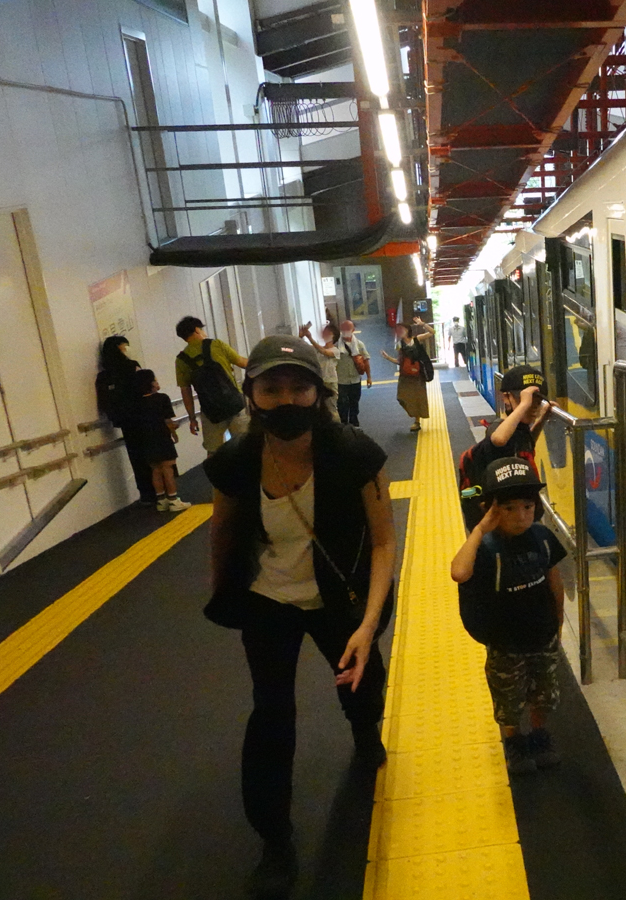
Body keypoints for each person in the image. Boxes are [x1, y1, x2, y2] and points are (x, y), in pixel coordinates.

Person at [203, 335, 396, 898]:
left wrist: (366, 626)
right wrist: (226, 593)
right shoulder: (237, 461)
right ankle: (274, 841)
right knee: (270, 714)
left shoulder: (354, 452)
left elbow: (383, 542)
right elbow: (223, 531)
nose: (286, 400)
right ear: (252, 395)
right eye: (272, 389)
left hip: (340, 597)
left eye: (299, 387)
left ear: (318, 391)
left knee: (363, 680)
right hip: (270, 601)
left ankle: (364, 728)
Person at [451, 457, 567, 774]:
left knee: (544, 693)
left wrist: (557, 626)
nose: (521, 516)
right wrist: (480, 529)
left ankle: (540, 734)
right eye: (509, 508)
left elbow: (555, 584)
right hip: (505, 644)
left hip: (542, 636)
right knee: (508, 700)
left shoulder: (543, 538)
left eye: (528, 507)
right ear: (491, 510)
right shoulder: (487, 548)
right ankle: (514, 742)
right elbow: (459, 572)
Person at [457, 365, 556, 531]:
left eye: (537, 402)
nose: (533, 407)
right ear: (506, 398)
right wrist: (524, 405)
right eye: (527, 401)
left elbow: (527, 444)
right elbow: (499, 439)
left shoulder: (520, 429)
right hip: (498, 516)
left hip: (515, 511)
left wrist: (542, 419)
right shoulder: (498, 427)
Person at [174, 316, 249, 455]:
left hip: (210, 411)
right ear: (197, 330)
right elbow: (242, 362)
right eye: (202, 329)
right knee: (244, 447)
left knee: (213, 452)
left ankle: (218, 476)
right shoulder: (216, 345)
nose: (204, 333)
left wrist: (192, 418)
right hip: (234, 405)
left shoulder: (181, 360)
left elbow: (186, 392)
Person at [95, 335, 156, 505]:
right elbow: (146, 388)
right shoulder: (132, 366)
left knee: (135, 456)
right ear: (119, 348)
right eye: (125, 346)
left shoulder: (104, 376)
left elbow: (104, 401)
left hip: (125, 421)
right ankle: (161, 490)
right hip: (143, 416)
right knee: (153, 454)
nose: (128, 349)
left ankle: (146, 493)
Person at [131, 369, 191, 512]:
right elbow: (167, 420)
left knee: (156, 470)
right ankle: (173, 500)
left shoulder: (136, 402)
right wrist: (174, 433)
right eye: (155, 380)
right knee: (168, 468)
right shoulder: (162, 398)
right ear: (151, 383)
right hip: (162, 438)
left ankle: (161, 500)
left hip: (146, 440)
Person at [380, 322, 431, 432]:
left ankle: (417, 421)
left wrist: (422, 324)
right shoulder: (399, 344)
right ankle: (413, 413)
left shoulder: (417, 339)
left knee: (418, 397)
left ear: (408, 329)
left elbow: (432, 332)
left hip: (418, 375)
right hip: (405, 375)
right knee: (402, 397)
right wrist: (388, 358)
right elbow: (400, 361)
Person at [300, 321, 339, 419]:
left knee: (331, 409)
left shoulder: (336, 351)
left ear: (334, 336)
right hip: (319, 382)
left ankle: (337, 430)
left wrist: (310, 337)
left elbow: (324, 352)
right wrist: (301, 336)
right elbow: (299, 347)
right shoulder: (317, 349)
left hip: (330, 382)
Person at [334, 320, 368, 427]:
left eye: (348, 329)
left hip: (355, 379)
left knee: (354, 402)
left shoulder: (359, 344)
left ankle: (354, 422)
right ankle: (344, 423)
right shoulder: (335, 346)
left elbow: (366, 360)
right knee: (342, 404)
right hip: (341, 380)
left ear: (353, 330)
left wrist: (369, 377)